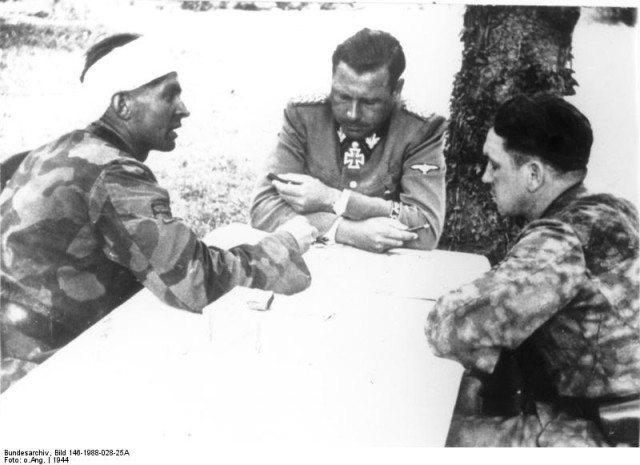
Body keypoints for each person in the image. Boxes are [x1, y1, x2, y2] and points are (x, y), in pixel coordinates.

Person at [0, 33, 317, 393]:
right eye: (170, 94)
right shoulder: (112, 172)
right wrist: (287, 244)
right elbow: (195, 282)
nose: (184, 109)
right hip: (39, 374)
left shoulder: (56, 151)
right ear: (122, 105)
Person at [426, 94, 639, 447]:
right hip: (620, 420)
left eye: (495, 165)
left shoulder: (561, 239)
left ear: (534, 174)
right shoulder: (614, 210)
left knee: (430, 433)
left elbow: (451, 326)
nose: (484, 177)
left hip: (598, 436)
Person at [250, 28, 446, 253]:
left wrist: (334, 199)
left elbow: (426, 229)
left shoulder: (420, 130)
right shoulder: (304, 116)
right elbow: (263, 209)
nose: (352, 114)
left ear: (396, 90)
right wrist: (346, 231)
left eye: (369, 102)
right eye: (342, 96)